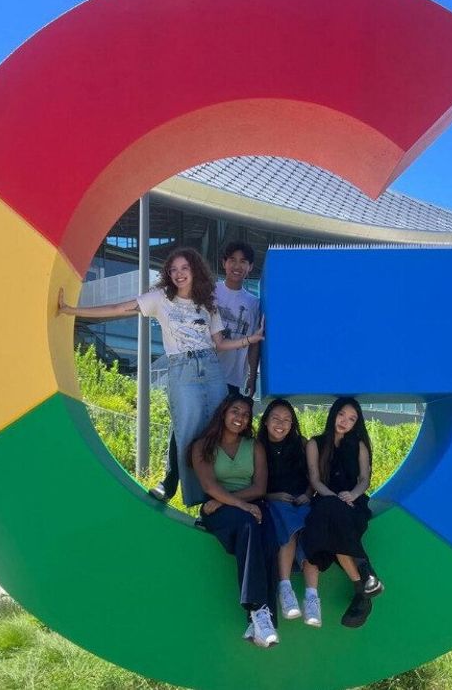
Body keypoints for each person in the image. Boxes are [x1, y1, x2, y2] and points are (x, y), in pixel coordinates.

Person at [57, 247, 263, 506]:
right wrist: (71, 310)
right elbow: (119, 307)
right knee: (185, 430)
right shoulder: (160, 298)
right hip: (182, 368)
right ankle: (187, 493)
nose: (179, 274)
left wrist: (250, 339)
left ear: (194, 270)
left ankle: (217, 497)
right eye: (173, 269)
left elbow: (219, 343)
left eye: (184, 268)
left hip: (212, 369)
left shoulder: (207, 302)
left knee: (217, 430)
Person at [190, 395, 279, 647]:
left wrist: (230, 501)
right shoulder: (202, 446)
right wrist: (238, 504)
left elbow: (259, 487)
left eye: (246, 415)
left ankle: (259, 622)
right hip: (218, 511)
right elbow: (209, 486)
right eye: (235, 411)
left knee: (268, 538)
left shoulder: (254, 447)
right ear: (223, 412)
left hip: (248, 504)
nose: (240, 418)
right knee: (248, 524)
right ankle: (258, 611)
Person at [302, 397, 381, 628]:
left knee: (335, 525)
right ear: (333, 413)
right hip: (326, 500)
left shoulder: (359, 445)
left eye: (352, 419)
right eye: (341, 415)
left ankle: (362, 587)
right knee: (330, 514)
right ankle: (365, 579)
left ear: (356, 423)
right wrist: (335, 498)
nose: (345, 421)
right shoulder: (315, 443)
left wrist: (352, 495)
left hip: (354, 503)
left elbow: (364, 479)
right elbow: (315, 479)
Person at [257, 398, 321, 625]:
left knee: (311, 530)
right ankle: (285, 588)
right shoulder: (257, 447)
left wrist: (308, 494)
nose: (281, 424)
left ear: (292, 424)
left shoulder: (301, 444)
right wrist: (272, 496)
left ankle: (312, 596)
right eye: (276, 418)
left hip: (301, 500)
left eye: (287, 420)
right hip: (274, 501)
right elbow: (255, 484)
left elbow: (314, 476)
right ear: (265, 421)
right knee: (289, 525)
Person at [215, 242, 262, 398]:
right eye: (232, 260)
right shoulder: (211, 291)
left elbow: (254, 344)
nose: (237, 266)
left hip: (232, 378)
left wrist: (252, 376)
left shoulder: (254, 304)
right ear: (224, 263)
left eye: (243, 261)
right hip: (205, 374)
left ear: (250, 267)